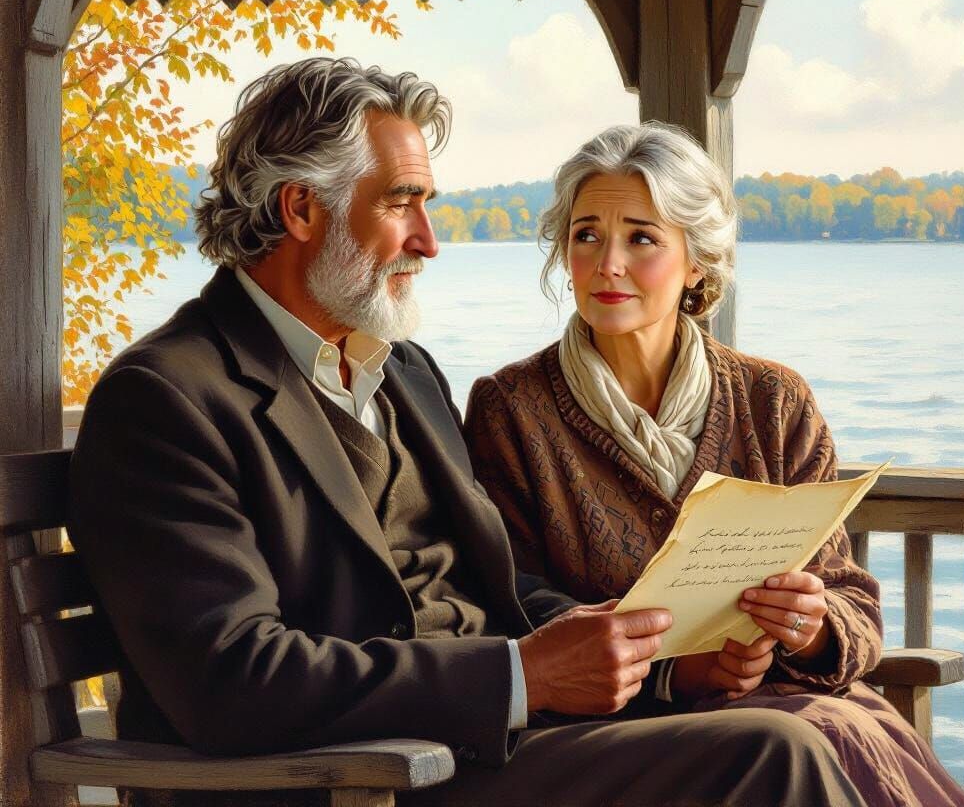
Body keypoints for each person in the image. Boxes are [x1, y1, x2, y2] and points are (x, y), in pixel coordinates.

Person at [70, 59, 868, 807]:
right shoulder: (166, 400)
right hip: (364, 777)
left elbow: (502, 589)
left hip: (488, 748)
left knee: (786, 733)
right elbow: (231, 679)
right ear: (301, 208)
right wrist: (521, 675)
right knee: (772, 755)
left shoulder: (403, 373)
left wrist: (657, 669)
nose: (428, 240)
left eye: (427, 205)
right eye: (399, 202)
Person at [465, 123, 964, 807]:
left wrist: (812, 627)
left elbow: (854, 605)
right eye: (586, 235)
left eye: (642, 238)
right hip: (632, 735)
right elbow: (510, 602)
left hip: (799, 705)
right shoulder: (511, 409)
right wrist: (676, 671)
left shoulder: (773, 399)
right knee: (819, 734)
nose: (608, 262)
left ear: (696, 261)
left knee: (842, 727)